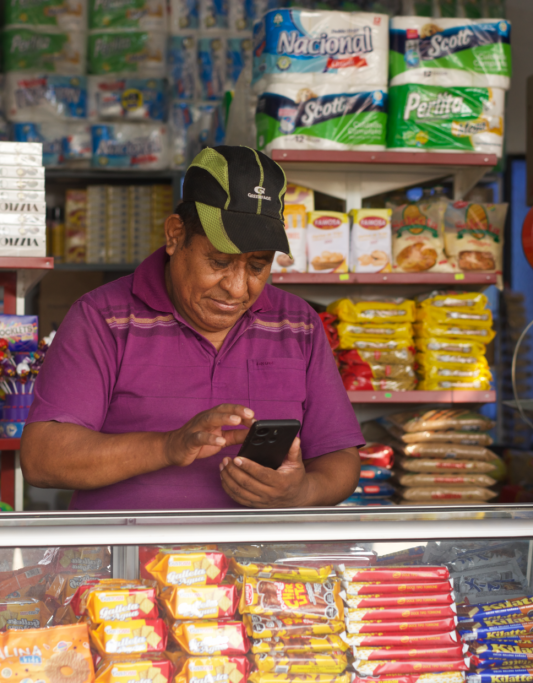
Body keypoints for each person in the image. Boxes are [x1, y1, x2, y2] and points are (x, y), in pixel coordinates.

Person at [21, 146, 363, 509]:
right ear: (175, 235)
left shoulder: (297, 323)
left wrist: (301, 492)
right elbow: (43, 460)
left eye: (257, 267)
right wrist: (169, 446)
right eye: (219, 261)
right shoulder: (103, 318)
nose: (236, 287)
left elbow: (339, 458)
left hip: (258, 565)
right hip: (127, 563)